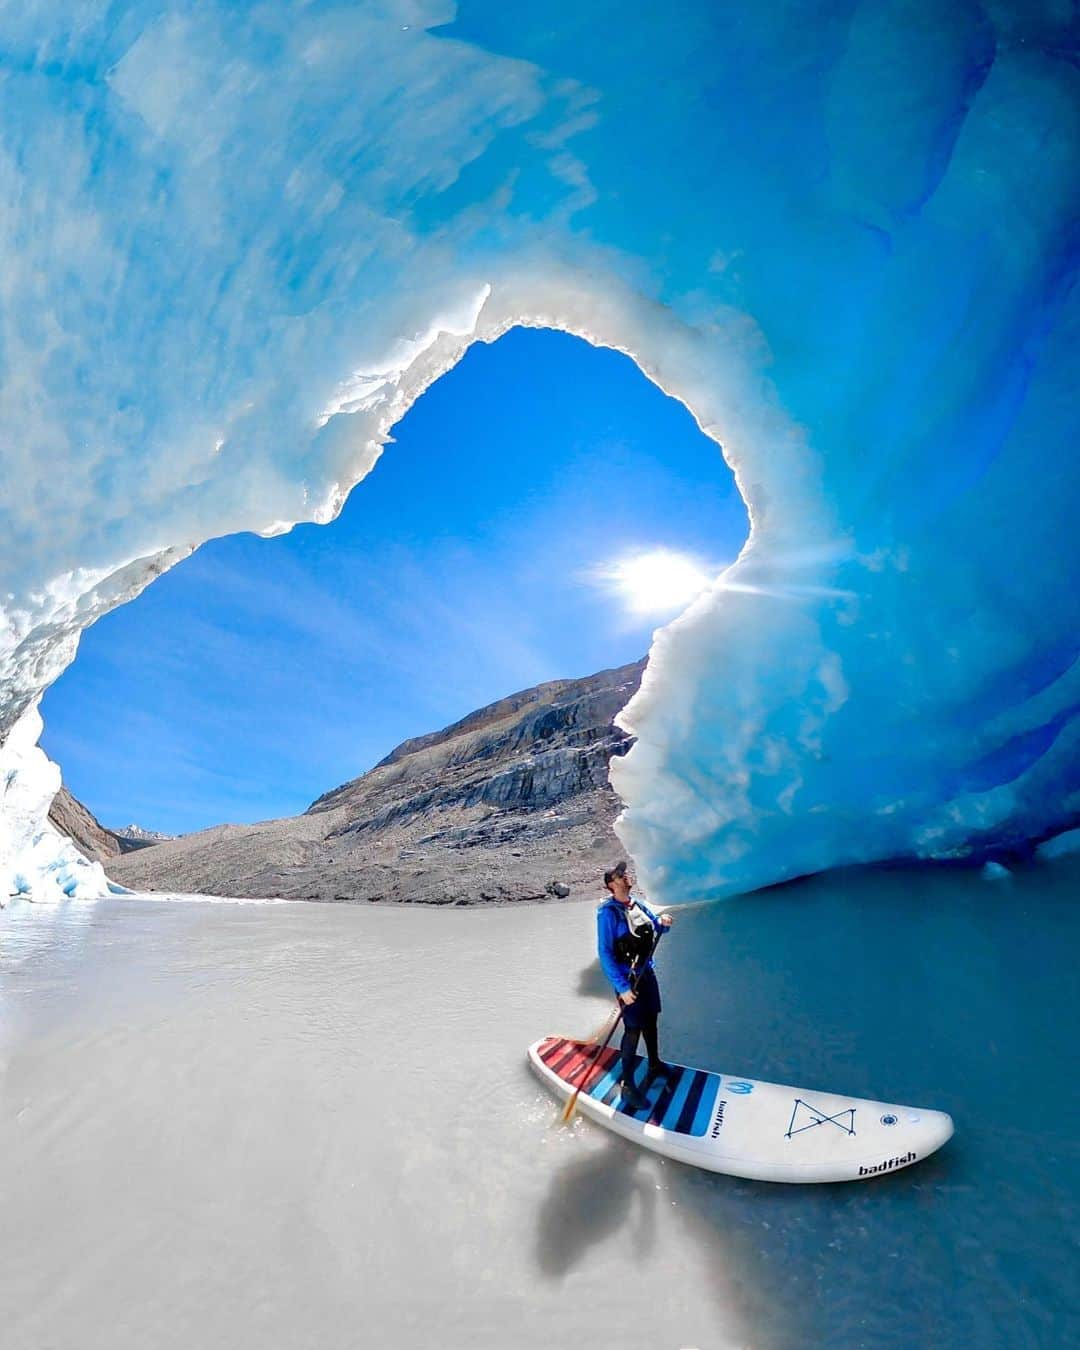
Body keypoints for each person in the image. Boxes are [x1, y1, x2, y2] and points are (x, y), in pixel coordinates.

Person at [596, 860, 674, 1111]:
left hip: (646, 975)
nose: (625, 877)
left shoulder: (638, 905)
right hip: (628, 981)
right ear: (611, 885)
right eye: (619, 876)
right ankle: (627, 1084)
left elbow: (656, 928)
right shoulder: (608, 913)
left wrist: (664, 923)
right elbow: (605, 953)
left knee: (651, 1019)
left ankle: (654, 1064)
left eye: (625, 873)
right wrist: (621, 988)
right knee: (632, 1029)